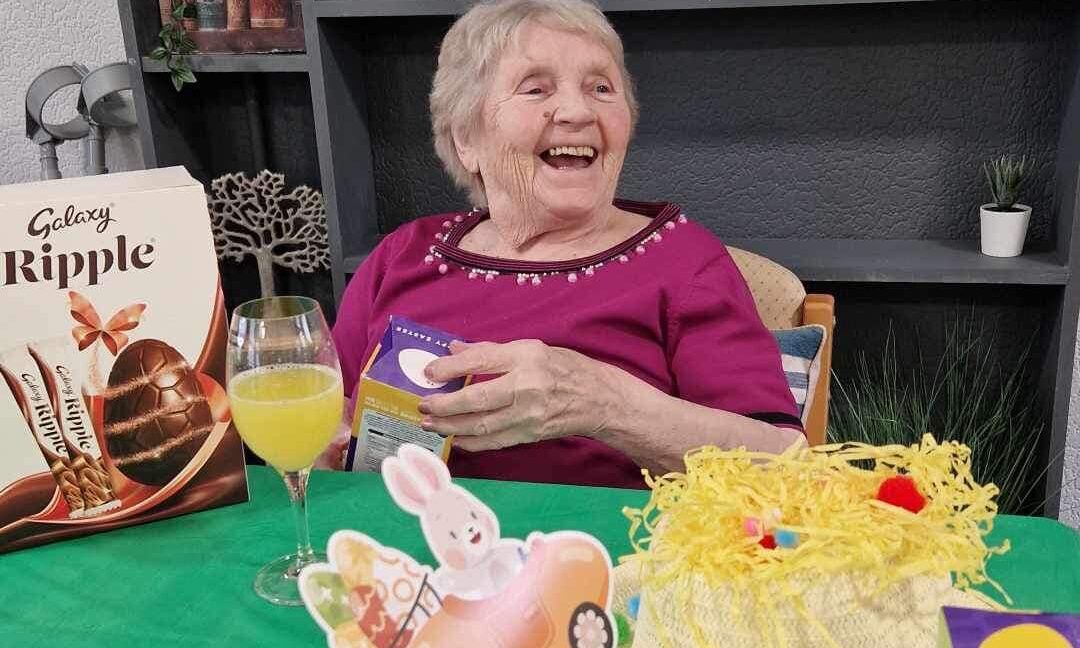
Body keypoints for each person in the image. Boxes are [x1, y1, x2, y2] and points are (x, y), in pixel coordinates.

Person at [326, 0, 803, 488]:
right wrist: (326, 443)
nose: (578, 111)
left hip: (603, 539)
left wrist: (607, 405)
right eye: (536, 89)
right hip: (395, 534)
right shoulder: (402, 256)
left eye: (601, 88)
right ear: (466, 138)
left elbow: (784, 465)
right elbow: (326, 414)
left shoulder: (685, 264)